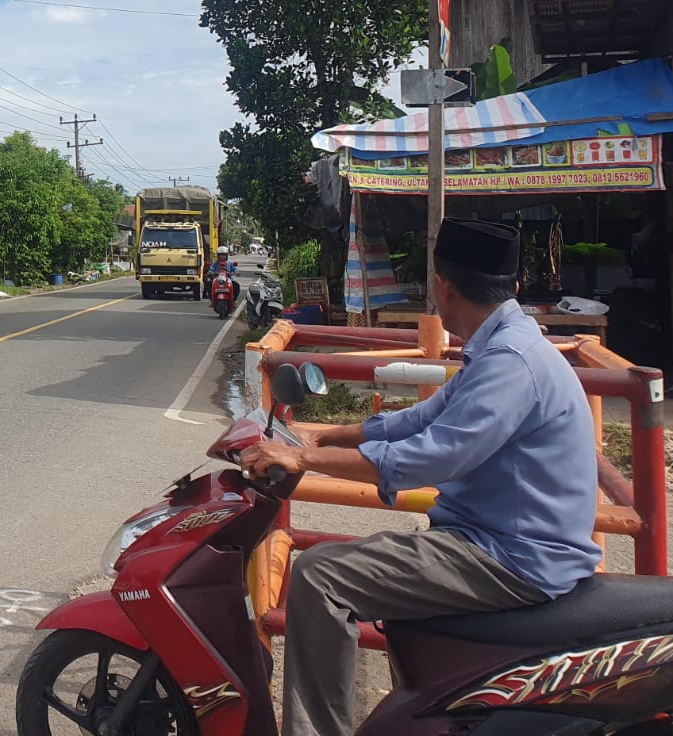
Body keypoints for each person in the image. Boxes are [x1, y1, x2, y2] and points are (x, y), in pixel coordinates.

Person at [241, 218, 599, 736]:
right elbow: (421, 419)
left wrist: (303, 461)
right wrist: (328, 437)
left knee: (321, 574)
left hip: (510, 555)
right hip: (501, 541)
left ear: (441, 287)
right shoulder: (507, 343)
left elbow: (432, 457)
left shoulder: (509, 362)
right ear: (514, 287)